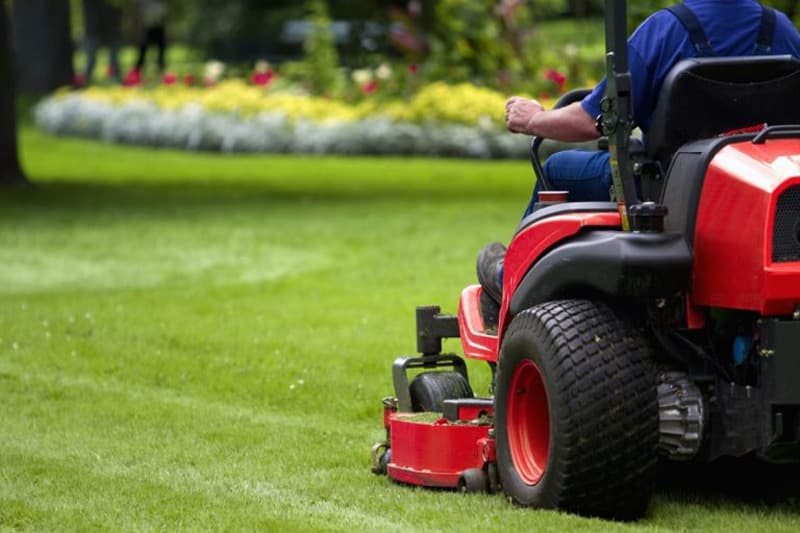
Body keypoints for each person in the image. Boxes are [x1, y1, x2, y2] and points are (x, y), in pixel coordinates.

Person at [478, 0, 800, 312]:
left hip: (664, 191)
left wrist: (533, 119)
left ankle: (508, 278)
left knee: (559, 167)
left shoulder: (665, 30)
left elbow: (591, 120)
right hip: (758, 188)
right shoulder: (782, 30)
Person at [78, 0, 123, 86]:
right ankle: (84, 80)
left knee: (113, 58)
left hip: (110, 29)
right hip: (93, 31)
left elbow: (117, 9)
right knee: (90, 59)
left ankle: (115, 78)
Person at [124, 0, 167, 84]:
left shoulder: (160, 3)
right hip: (148, 29)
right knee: (142, 53)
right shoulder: (143, 3)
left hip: (158, 29)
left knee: (161, 55)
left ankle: (161, 75)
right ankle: (135, 76)